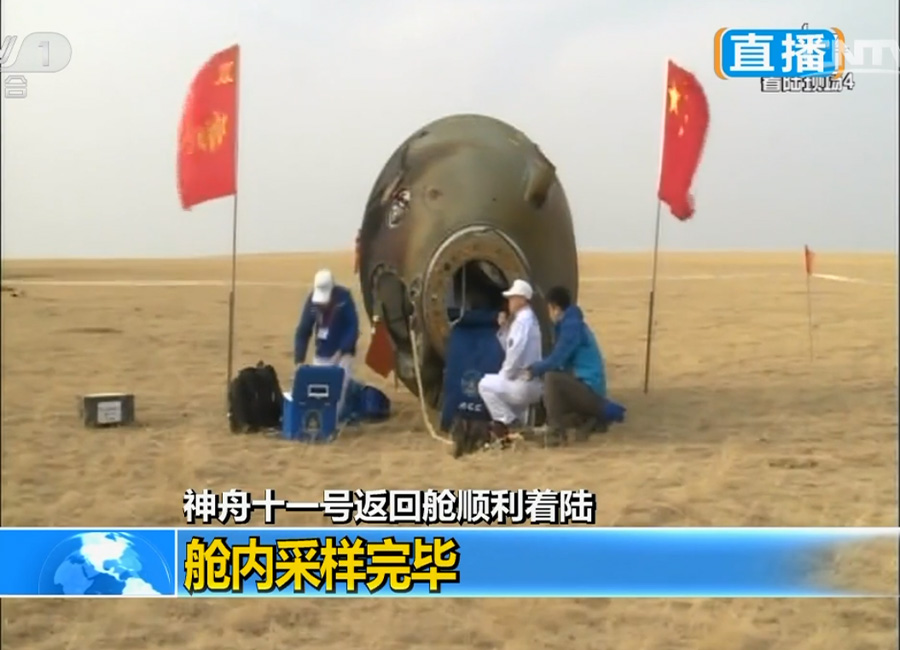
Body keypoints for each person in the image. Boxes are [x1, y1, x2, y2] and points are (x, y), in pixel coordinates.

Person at [526, 285, 608, 445]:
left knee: (551, 378)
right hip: (588, 387)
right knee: (553, 385)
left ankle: (556, 432)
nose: (549, 313)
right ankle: (588, 420)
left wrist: (534, 370)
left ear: (555, 308)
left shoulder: (571, 328)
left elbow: (557, 360)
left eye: (549, 308)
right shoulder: (571, 324)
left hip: (591, 390)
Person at [477, 279, 543, 443]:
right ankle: (518, 431)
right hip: (532, 383)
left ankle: (509, 423)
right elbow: (512, 346)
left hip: (523, 383)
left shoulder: (522, 322)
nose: (509, 302)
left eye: (512, 298)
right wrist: (504, 328)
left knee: (485, 384)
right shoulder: (528, 320)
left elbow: (515, 352)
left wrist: (505, 374)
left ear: (522, 299)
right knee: (509, 400)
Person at [294, 269, 359, 414]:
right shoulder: (312, 303)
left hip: (343, 354)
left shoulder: (344, 298)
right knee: (318, 389)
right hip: (322, 352)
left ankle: (334, 420)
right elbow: (303, 330)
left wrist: (342, 350)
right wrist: (299, 359)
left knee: (338, 389)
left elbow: (352, 327)